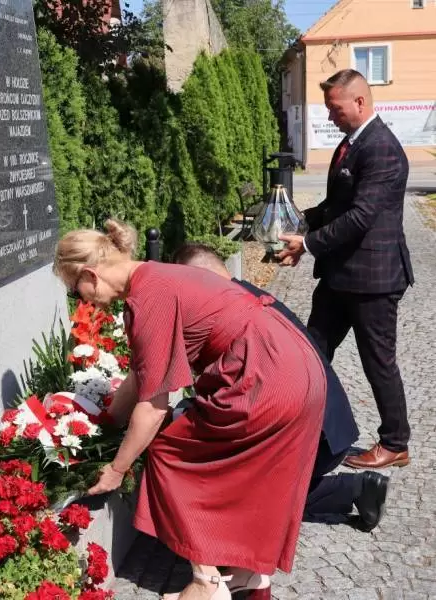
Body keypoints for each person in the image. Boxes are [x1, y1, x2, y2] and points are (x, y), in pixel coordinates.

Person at [54, 219, 327, 600]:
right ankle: (248, 574)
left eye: (74, 291)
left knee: (169, 453)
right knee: (247, 470)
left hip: (266, 376)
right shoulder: (154, 277)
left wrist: (117, 469)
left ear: (89, 274)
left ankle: (206, 581)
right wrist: (107, 421)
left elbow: (154, 407)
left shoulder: (147, 296)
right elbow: (141, 374)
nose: (81, 301)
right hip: (295, 365)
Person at [172, 242, 389, 531]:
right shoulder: (250, 296)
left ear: (201, 280)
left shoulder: (232, 313)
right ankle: (357, 489)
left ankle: (356, 489)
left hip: (314, 435)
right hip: (329, 424)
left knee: (244, 496)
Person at [278, 69, 414, 470]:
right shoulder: (352, 143)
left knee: (378, 362)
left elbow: (360, 217)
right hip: (340, 276)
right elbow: (336, 206)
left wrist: (308, 244)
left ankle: (395, 442)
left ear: (360, 102)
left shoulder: (382, 148)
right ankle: (294, 425)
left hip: (373, 279)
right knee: (312, 348)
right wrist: (300, 221)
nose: (329, 116)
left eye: (335, 108)